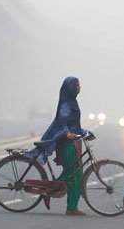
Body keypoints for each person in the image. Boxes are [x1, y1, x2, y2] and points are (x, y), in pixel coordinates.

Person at [33, 76, 88, 215]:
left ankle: (54, 194)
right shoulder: (66, 104)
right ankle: (70, 207)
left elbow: (74, 124)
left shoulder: (72, 102)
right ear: (70, 88)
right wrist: (68, 133)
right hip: (66, 144)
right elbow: (62, 122)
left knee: (74, 173)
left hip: (73, 142)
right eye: (77, 86)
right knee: (74, 175)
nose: (80, 88)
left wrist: (85, 132)